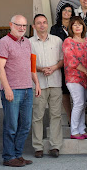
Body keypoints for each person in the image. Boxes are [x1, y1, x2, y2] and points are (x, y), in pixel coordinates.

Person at [0, 15, 41, 167]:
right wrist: (7, 89)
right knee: (11, 126)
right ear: (11, 25)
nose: (22, 28)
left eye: (24, 25)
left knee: (25, 125)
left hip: (27, 89)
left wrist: (36, 83)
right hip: (13, 90)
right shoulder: (4, 42)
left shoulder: (27, 42)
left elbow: (31, 65)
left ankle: (17, 154)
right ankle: (8, 157)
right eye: (18, 25)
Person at [31, 14, 63, 159]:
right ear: (34, 26)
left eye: (44, 22)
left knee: (55, 115)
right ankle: (38, 146)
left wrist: (54, 67)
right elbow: (28, 63)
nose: (42, 25)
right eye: (39, 23)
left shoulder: (57, 41)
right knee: (38, 116)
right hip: (39, 84)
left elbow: (63, 60)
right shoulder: (29, 43)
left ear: (48, 24)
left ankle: (55, 146)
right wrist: (41, 69)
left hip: (55, 82)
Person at [62, 16, 87, 140]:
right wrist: (85, 70)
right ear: (71, 27)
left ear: (83, 27)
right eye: (74, 24)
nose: (77, 26)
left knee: (83, 103)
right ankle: (74, 130)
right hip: (73, 77)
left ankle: (81, 129)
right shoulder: (68, 41)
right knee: (79, 102)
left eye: (79, 24)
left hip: (86, 77)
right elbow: (71, 61)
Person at [51, 4, 75, 122]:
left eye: (69, 11)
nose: (66, 12)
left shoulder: (75, 26)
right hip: (62, 62)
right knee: (65, 91)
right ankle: (70, 118)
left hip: (75, 63)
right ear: (61, 12)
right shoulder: (55, 28)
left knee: (78, 92)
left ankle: (78, 117)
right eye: (64, 10)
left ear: (72, 13)